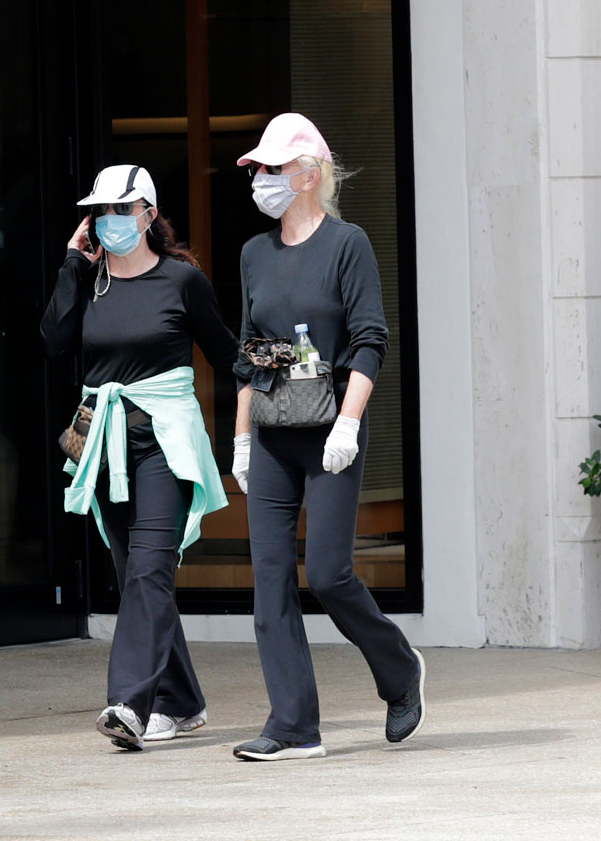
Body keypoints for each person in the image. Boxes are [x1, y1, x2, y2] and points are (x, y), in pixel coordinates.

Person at [227, 113, 425, 762]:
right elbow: (249, 355)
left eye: (273, 168)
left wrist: (349, 421)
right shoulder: (254, 255)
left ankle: (399, 672)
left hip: (332, 429)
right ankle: (293, 725)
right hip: (274, 429)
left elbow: (371, 340)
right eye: (257, 169)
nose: (261, 179)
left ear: (310, 174)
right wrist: (240, 440)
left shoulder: (348, 245)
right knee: (270, 578)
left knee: (330, 574)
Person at [40, 164, 234, 750]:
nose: (109, 222)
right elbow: (53, 342)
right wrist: (73, 265)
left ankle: (129, 702)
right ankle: (183, 702)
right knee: (136, 578)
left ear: (149, 215)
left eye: (121, 211)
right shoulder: (89, 279)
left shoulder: (181, 281)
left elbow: (226, 354)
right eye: (99, 212)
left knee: (150, 571)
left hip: (164, 445)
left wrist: (266, 419)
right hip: (106, 444)